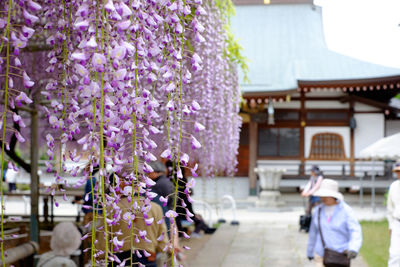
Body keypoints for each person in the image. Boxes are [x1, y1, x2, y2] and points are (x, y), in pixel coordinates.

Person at [96, 176, 169, 267]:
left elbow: (103, 238)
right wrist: (159, 251)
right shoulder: (155, 208)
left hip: (120, 258)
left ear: (122, 185)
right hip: (148, 257)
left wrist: (101, 256)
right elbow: (163, 240)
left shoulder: (111, 207)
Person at [307, 179, 362, 267]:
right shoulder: (318, 210)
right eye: (322, 195)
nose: (323, 198)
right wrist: (309, 251)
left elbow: (355, 231)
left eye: (327, 195)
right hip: (321, 254)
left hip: (339, 255)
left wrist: (353, 248)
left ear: (334, 196)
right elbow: (313, 232)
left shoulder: (346, 211)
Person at [165, 161, 215, 238]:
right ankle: (202, 230)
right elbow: (187, 201)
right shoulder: (179, 181)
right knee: (198, 218)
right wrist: (192, 214)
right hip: (180, 211)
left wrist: (192, 213)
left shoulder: (173, 180)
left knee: (197, 217)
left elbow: (187, 200)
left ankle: (204, 229)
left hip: (181, 210)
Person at [387, 160, 400, 267]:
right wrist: (391, 225)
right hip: (397, 223)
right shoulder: (394, 186)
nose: (399, 174)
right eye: (397, 171)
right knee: (394, 254)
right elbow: (390, 208)